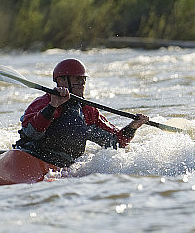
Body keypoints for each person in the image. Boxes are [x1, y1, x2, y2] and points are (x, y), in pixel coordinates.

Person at [13, 58, 149, 167]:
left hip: (62, 165)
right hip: (32, 155)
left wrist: (133, 127)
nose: (82, 82)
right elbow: (31, 133)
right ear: (61, 80)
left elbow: (116, 142)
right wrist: (52, 106)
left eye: (83, 79)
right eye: (76, 79)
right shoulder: (43, 102)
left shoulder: (88, 111)